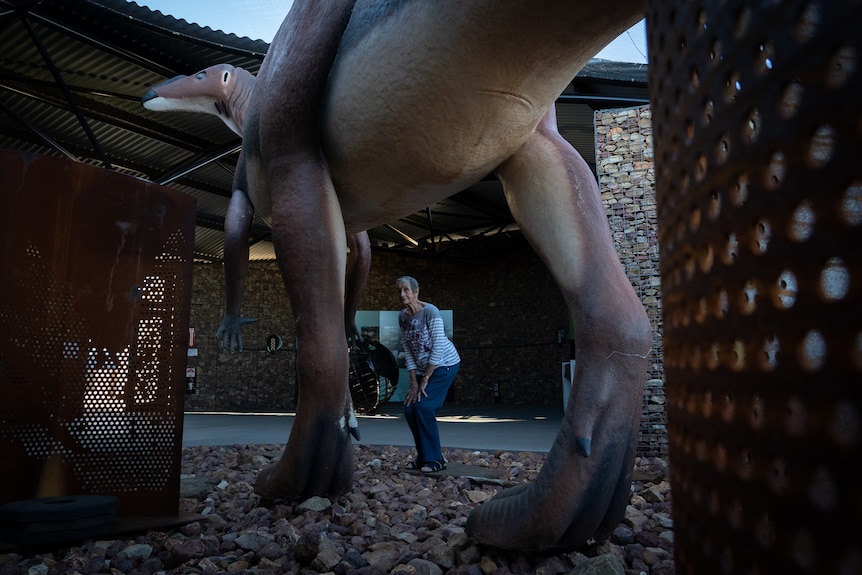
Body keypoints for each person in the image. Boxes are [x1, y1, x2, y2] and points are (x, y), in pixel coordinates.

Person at [396, 275, 461, 473]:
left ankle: (436, 460)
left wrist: (425, 378)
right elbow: (407, 348)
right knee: (409, 409)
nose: (402, 294)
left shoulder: (430, 312)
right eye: (399, 290)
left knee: (424, 407)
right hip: (424, 368)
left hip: (444, 365)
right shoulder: (403, 316)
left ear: (416, 292)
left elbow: (439, 346)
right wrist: (413, 381)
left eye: (406, 290)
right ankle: (424, 457)